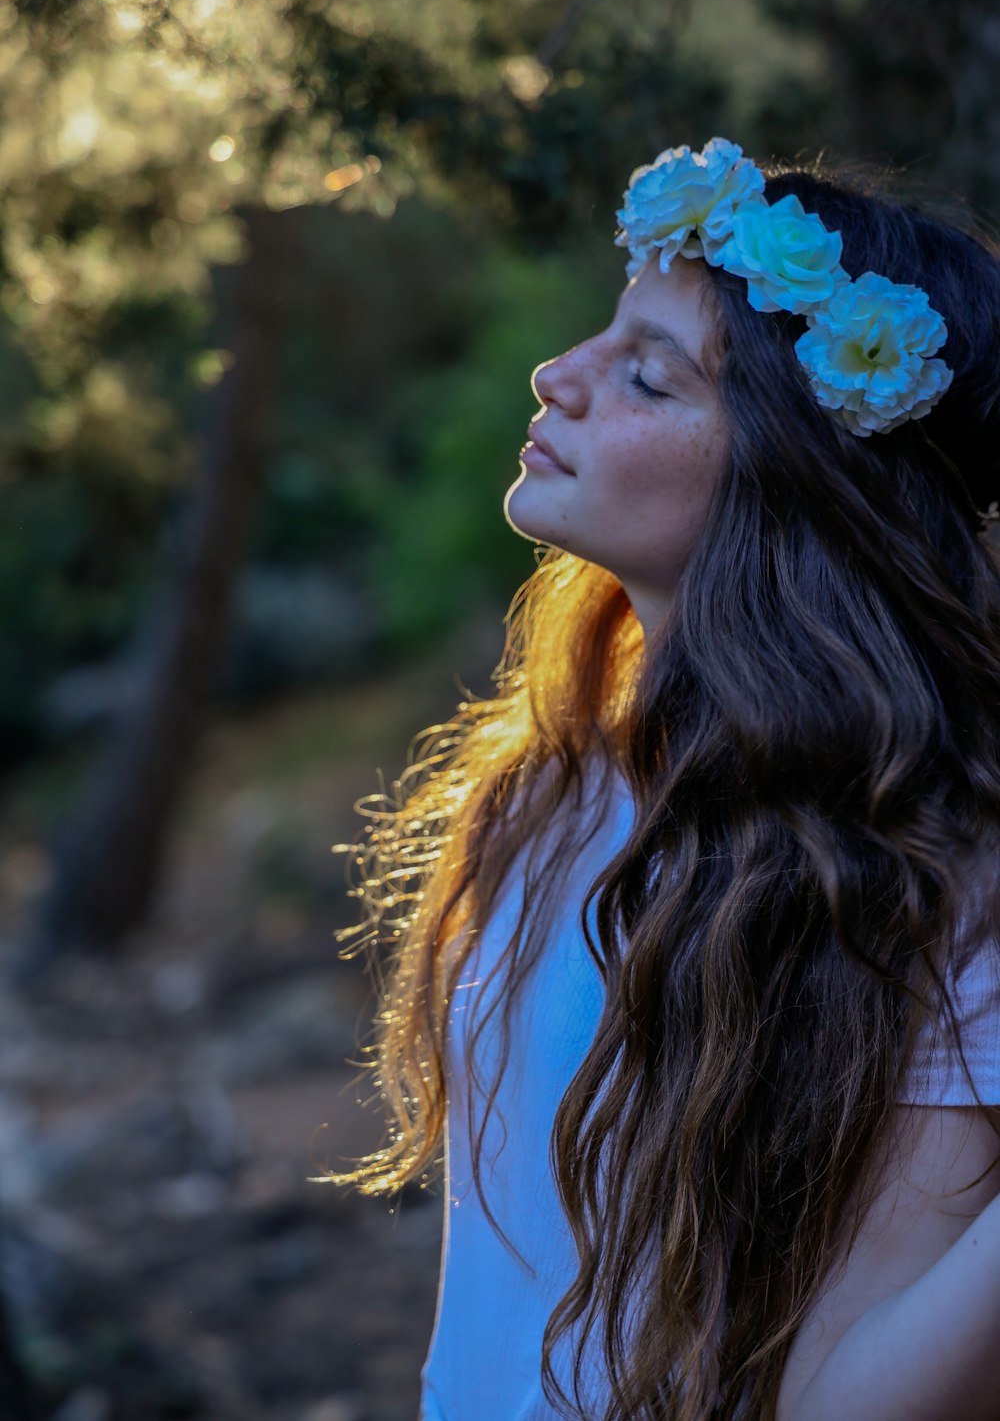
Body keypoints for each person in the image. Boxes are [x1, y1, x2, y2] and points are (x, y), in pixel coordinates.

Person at [324, 138, 1000, 1421]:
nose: (557, 375)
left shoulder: (930, 863)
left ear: (793, 479)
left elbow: (844, 1398)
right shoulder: (554, 782)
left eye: (647, 374)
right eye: (605, 336)